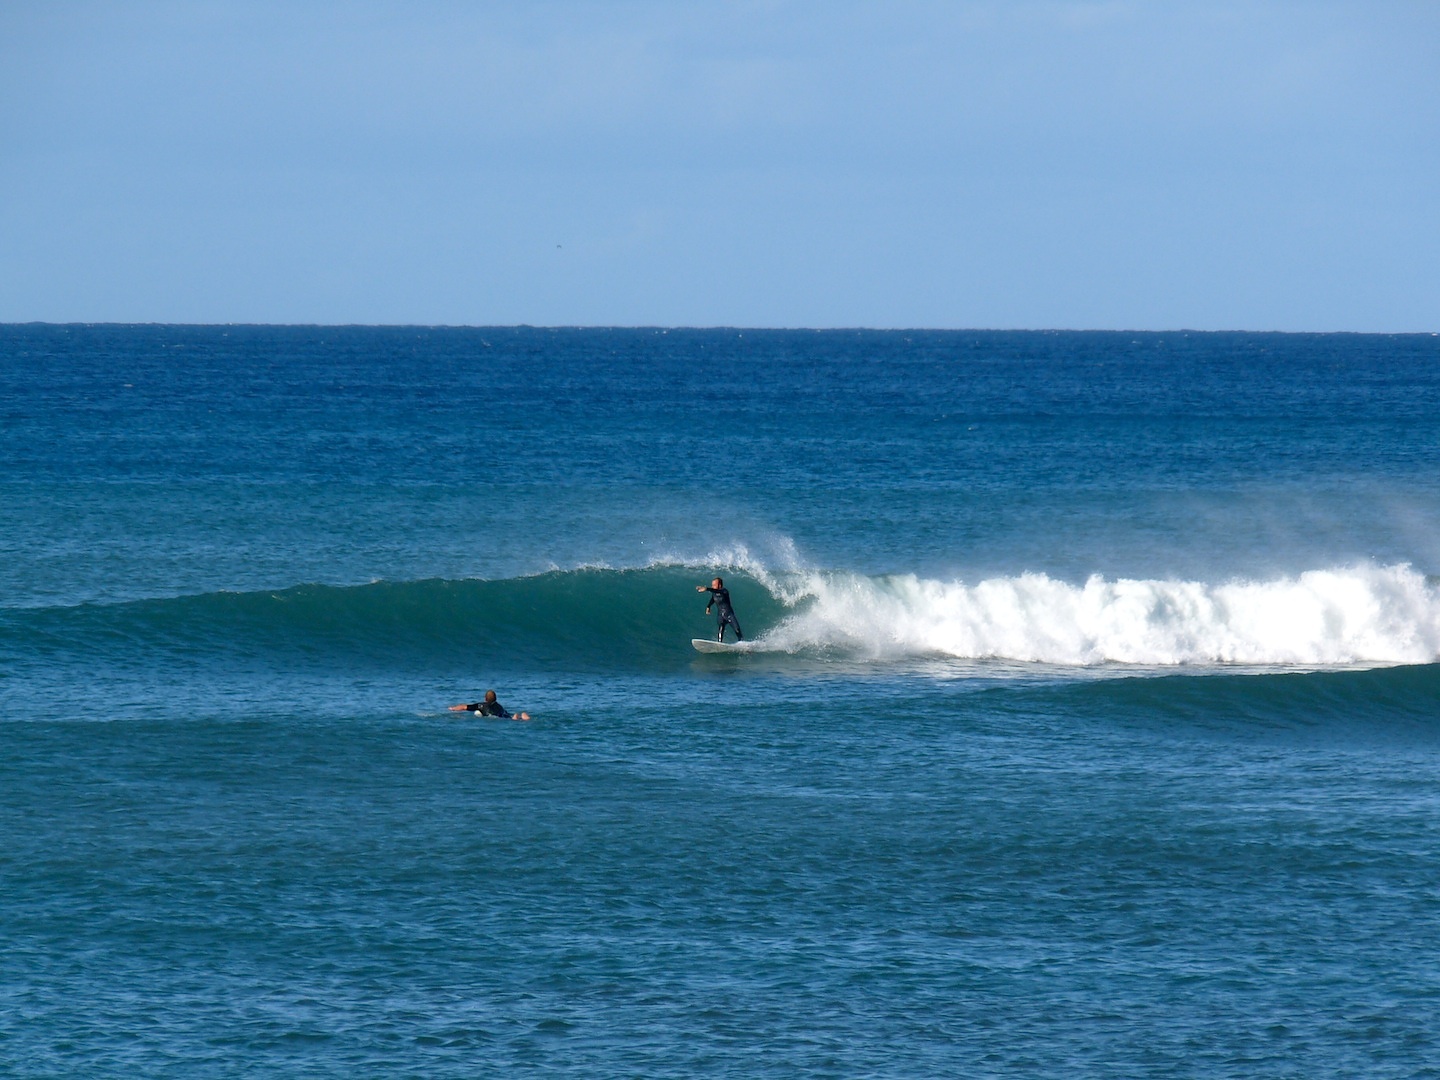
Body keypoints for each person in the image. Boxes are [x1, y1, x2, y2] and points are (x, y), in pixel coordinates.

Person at [696, 576, 743, 642]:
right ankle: (719, 643)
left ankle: (741, 642)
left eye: (714, 585)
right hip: (720, 614)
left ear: (720, 585)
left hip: (729, 614)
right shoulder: (714, 593)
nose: (712, 586)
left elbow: (717, 590)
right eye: (712, 585)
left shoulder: (724, 591)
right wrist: (708, 606)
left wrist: (707, 589)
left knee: (737, 629)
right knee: (721, 628)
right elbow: (713, 599)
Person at [449, 689, 531, 721]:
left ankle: (516, 718)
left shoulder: (481, 706)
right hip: (505, 715)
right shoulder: (499, 705)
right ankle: (520, 716)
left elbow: (464, 707)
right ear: (495, 698)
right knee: (509, 717)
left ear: (485, 698)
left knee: (509, 719)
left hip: (495, 717)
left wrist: (453, 708)